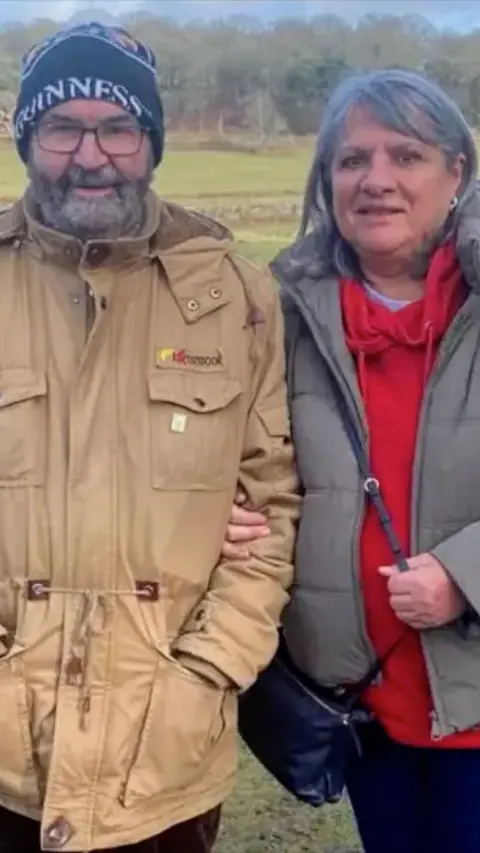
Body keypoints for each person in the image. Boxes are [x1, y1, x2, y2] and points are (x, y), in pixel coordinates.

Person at [0, 22, 299, 853]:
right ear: (27, 138)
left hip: (162, 760)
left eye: (118, 127)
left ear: (153, 140)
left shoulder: (238, 296)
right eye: (61, 127)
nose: (90, 155)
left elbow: (272, 510)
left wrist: (203, 673)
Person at [223, 68, 480, 853]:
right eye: (351, 159)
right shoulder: (282, 309)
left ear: (457, 172)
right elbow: (248, 457)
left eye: (406, 155)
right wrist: (219, 510)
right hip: (361, 701)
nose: (376, 181)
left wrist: (467, 573)